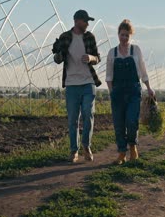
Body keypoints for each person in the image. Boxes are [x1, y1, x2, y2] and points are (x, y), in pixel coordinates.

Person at [52, 9, 102, 163]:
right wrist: (59, 53)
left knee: (88, 114)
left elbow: (98, 58)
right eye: (85, 21)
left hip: (88, 82)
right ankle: (74, 151)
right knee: (73, 119)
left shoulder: (89, 37)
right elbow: (57, 59)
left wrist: (91, 57)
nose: (87, 24)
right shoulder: (65, 37)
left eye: (88, 22)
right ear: (76, 21)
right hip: (71, 84)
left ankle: (86, 146)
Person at [105, 19, 155, 164]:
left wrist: (149, 87)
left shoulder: (136, 50)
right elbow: (108, 76)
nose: (124, 38)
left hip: (133, 90)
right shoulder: (112, 53)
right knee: (119, 124)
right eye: (122, 35)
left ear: (130, 36)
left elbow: (143, 71)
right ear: (118, 34)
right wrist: (111, 92)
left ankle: (133, 146)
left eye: (127, 35)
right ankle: (122, 153)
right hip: (118, 92)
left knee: (132, 121)